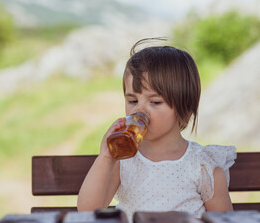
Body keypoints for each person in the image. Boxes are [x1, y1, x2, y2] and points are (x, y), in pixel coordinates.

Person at [77, 38, 236, 221]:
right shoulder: (124, 160)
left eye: (155, 102)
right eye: (133, 101)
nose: (140, 110)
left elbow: (225, 220)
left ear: (184, 106)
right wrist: (105, 158)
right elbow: (87, 211)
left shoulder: (202, 165)